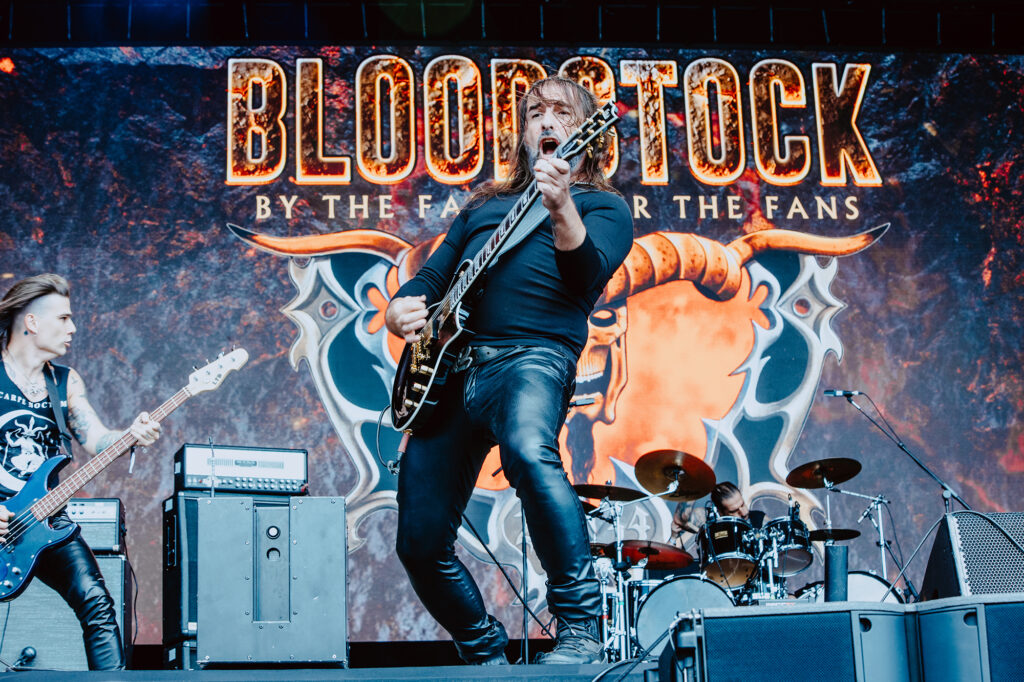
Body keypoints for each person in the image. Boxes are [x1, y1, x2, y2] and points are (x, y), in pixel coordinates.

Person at [385, 77, 632, 665]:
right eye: (535, 113)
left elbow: (585, 280)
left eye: (561, 113)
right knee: (419, 541)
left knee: (528, 450)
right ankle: (484, 650)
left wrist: (561, 206)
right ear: (522, 133)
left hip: (533, 357)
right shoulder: (483, 207)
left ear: (586, 132)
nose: (546, 121)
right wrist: (401, 307)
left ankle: (579, 628)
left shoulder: (603, 206)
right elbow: (434, 276)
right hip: (449, 372)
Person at [0, 274, 161, 670]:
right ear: (32, 322)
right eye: (64, 318)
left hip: (44, 519)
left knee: (97, 604)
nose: (73, 328)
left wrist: (130, 435)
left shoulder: (64, 381)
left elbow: (96, 438)